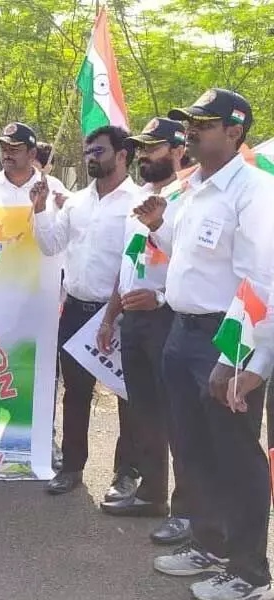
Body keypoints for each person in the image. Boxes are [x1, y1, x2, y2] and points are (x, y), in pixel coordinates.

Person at [137, 89, 274, 600]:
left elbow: (261, 280)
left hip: (226, 336)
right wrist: (160, 229)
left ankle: (249, 574)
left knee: (235, 456)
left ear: (235, 131)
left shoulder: (255, 191)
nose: (191, 130)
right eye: (190, 121)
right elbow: (192, 258)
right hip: (182, 330)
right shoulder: (195, 189)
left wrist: (240, 357)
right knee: (192, 448)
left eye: (204, 123)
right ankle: (208, 544)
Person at [32, 125, 141, 497]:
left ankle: (126, 473)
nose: (91, 157)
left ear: (122, 154)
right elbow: (51, 246)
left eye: (99, 151)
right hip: (76, 310)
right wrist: (39, 209)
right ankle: (73, 467)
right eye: (88, 151)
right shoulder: (76, 201)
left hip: (122, 313)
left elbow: (135, 264)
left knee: (128, 397)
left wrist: (112, 317)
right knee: (75, 393)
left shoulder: (139, 202)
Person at [97, 118, 191, 546]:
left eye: (152, 147)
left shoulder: (188, 198)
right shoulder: (141, 200)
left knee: (181, 420)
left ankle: (188, 510)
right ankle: (153, 494)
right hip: (133, 321)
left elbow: (199, 268)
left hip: (169, 319)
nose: (143, 155)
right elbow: (129, 262)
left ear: (176, 149)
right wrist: (110, 314)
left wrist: (161, 299)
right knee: (144, 413)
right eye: (140, 147)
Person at [0, 123, 69, 205]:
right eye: (3, 149)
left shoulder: (53, 187)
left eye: (14, 149)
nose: (6, 154)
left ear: (32, 153)